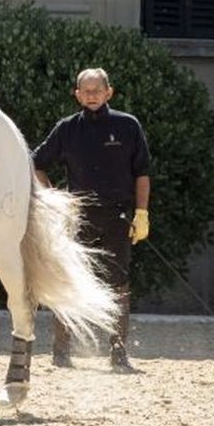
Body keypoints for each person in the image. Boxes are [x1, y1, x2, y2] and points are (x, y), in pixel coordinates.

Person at [31, 67, 150, 369]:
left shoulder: (128, 126)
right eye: (86, 91)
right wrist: (56, 199)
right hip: (77, 217)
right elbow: (36, 163)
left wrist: (142, 212)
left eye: (97, 90)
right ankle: (61, 352)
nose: (92, 96)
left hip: (118, 215)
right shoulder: (67, 128)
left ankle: (119, 353)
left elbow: (142, 173)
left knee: (118, 283)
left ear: (109, 92)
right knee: (67, 279)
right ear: (77, 95)